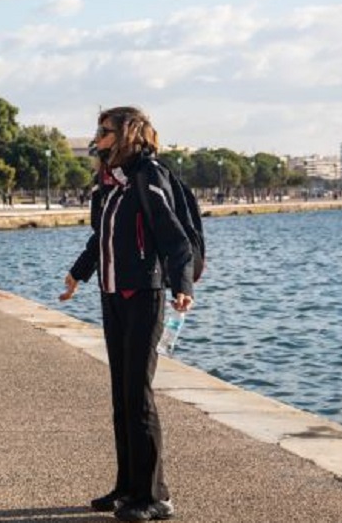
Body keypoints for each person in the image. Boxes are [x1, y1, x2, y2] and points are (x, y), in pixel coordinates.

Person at [59, 107, 194, 522]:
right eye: (97, 130)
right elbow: (100, 237)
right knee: (121, 394)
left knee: (138, 395)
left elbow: (175, 238)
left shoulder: (148, 176)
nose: (96, 137)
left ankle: (155, 496)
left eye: (104, 131)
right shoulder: (109, 185)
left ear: (126, 134)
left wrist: (181, 285)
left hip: (144, 294)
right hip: (112, 295)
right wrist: (77, 275)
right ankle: (127, 486)